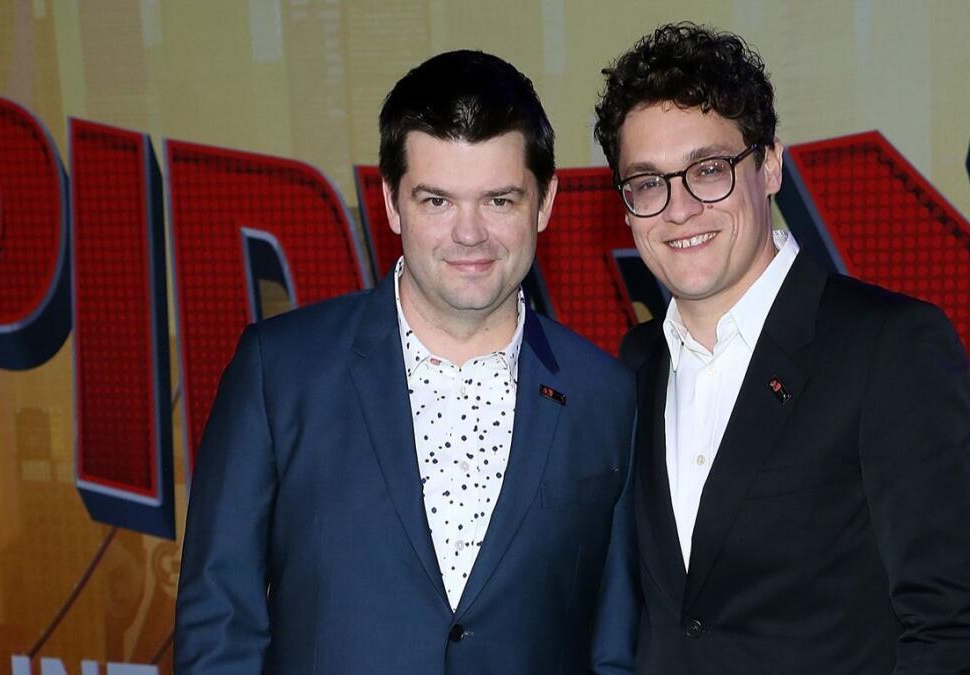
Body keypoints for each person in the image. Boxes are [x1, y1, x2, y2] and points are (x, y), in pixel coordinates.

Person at [176, 50, 637, 674]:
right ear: (392, 203)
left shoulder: (604, 395)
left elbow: (613, 650)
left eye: (499, 200)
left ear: (545, 201)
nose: (468, 234)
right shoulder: (279, 373)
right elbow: (219, 627)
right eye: (437, 201)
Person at [595, 23, 970, 674]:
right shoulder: (633, 363)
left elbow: (949, 622)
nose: (679, 209)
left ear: (771, 165)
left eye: (708, 170)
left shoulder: (888, 346)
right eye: (648, 182)